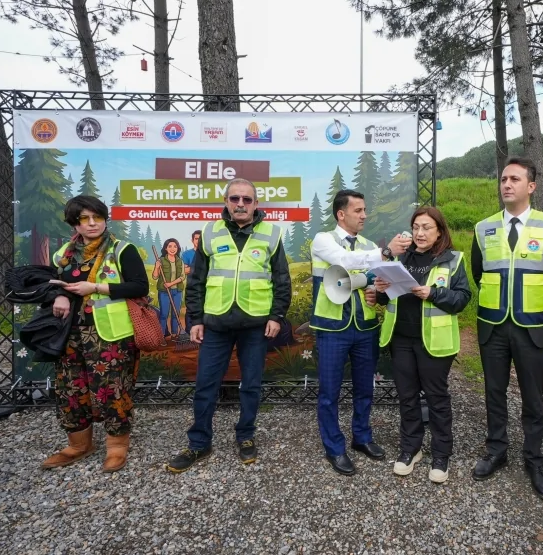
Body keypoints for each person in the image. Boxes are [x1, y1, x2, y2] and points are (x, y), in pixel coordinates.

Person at [166, 178, 291, 472]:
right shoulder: (210, 232)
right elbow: (196, 280)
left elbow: (281, 280)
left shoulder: (271, 234)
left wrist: (276, 316)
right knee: (205, 385)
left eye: (247, 200)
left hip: (255, 325)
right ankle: (199, 443)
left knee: (251, 384)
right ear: (226, 202)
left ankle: (245, 436)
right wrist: (195, 319)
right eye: (235, 198)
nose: (240, 204)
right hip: (216, 324)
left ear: (256, 204)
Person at [470, 157, 543, 500]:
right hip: (492, 325)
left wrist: (533, 300)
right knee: (494, 392)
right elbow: (477, 271)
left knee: (533, 396)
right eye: (503, 179)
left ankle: (534, 458)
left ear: (531, 186)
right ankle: (496, 450)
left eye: (514, 179)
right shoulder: (484, 228)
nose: (506, 184)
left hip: (532, 326)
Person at [44, 195, 149, 472]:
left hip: (110, 334)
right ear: (74, 224)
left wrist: (97, 289)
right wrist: (58, 296)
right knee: (71, 387)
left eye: (97, 218)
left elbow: (140, 286)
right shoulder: (64, 254)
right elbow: (53, 282)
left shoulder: (122, 249)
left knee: (113, 390)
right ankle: (79, 445)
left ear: (104, 219)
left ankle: (116, 447)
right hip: (69, 332)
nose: (92, 224)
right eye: (84, 219)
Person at [310, 189, 411, 475]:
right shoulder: (323, 240)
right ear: (341, 214)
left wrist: (376, 290)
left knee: (365, 388)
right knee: (329, 392)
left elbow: (377, 280)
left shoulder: (367, 244)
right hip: (332, 327)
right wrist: (384, 253)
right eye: (358, 211)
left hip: (365, 326)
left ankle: (362, 437)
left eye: (365, 210)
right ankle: (334, 447)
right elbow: (344, 261)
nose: (364, 215)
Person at [374, 207, 471, 483]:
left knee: (437, 398)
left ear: (439, 230)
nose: (419, 233)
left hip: (435, 343)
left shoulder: (453, 260)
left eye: (426, 227)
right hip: (401, 339)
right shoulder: (400, 258)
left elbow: (462, 299)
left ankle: (441, 455)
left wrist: (433, 293)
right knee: (406, 396)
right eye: (416, 226)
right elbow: (385, 300)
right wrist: (381, 290)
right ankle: (410, 449)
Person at [152, 238, 186, 339]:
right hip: (164, 292)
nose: (172, 248)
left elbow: (182, 277)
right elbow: (154, 277)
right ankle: (162, 336)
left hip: (177, 291)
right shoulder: (161, 261)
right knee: (164, 314)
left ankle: (174, 335)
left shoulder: (180, 261)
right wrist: (157, 267)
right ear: (166, 248)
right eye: (170, 246)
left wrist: (171, 283)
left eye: (175, 246)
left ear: (178, 248)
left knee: (176, 313)